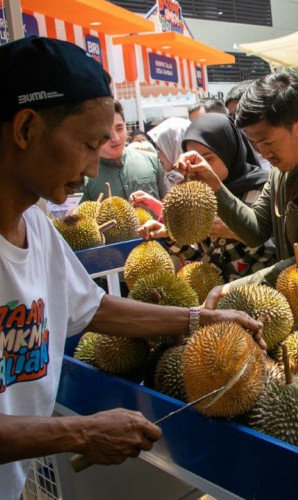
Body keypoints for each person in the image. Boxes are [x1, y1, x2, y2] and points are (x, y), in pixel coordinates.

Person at [0, 37, 263, 500]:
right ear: (25, 128)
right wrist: (79, 434)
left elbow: (96, 308)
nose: (92, 165)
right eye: (87, 143)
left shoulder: (37, 230)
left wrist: (203, 319)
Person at [179, 72, 298, 311]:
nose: (262, 153)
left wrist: (232, 289)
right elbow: (256, 230)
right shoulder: (281, 168)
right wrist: (214, 185)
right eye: (254, 144)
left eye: (268, 142)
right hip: (296, 309)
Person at [138, 113, 275, 281]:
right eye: (195, 160)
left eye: (208, 159)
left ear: (229, 152)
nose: (201, 168)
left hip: (260, 292)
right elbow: (201, 256)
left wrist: (238, 232)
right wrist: (170, 235)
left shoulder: (264, 189)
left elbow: (278, 251)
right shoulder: (201, 195)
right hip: (219, 298)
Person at [81, 100, 168, 201]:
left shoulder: (151, 161)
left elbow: (166, 205)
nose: (115, 138)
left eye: (119, 129)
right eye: (107, 132)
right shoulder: (83, 178)